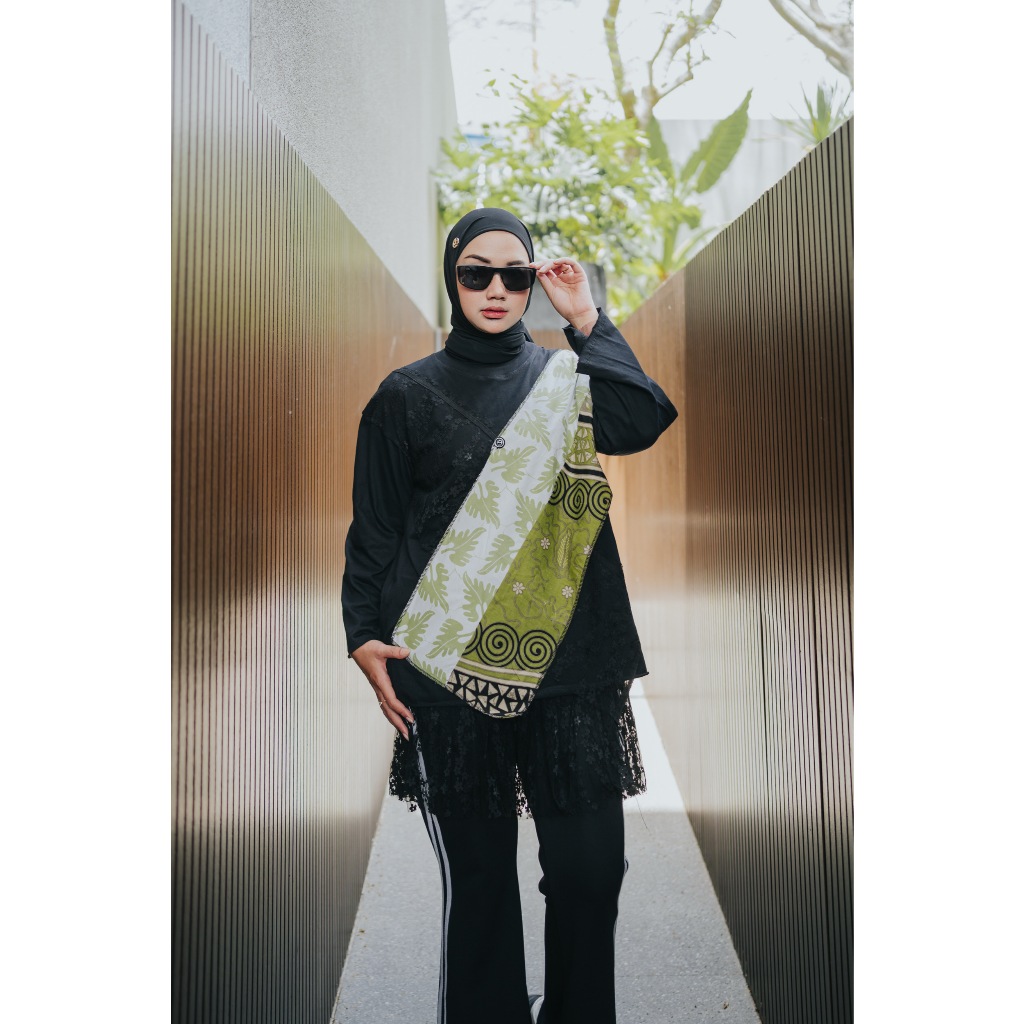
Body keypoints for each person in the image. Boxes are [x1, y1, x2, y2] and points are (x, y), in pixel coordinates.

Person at [342, 208, 677, 1024]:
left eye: (515, 275)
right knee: (482, 881)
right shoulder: (404, 396)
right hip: (450, 666)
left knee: (590, 873)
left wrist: (586, 316)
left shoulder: (568, 377)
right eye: (476, 273)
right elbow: (376, 530)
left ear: (533, 284)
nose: (495, 289)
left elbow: (642, 418)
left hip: (575, 661)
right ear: (452, 279)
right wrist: (362, 636)